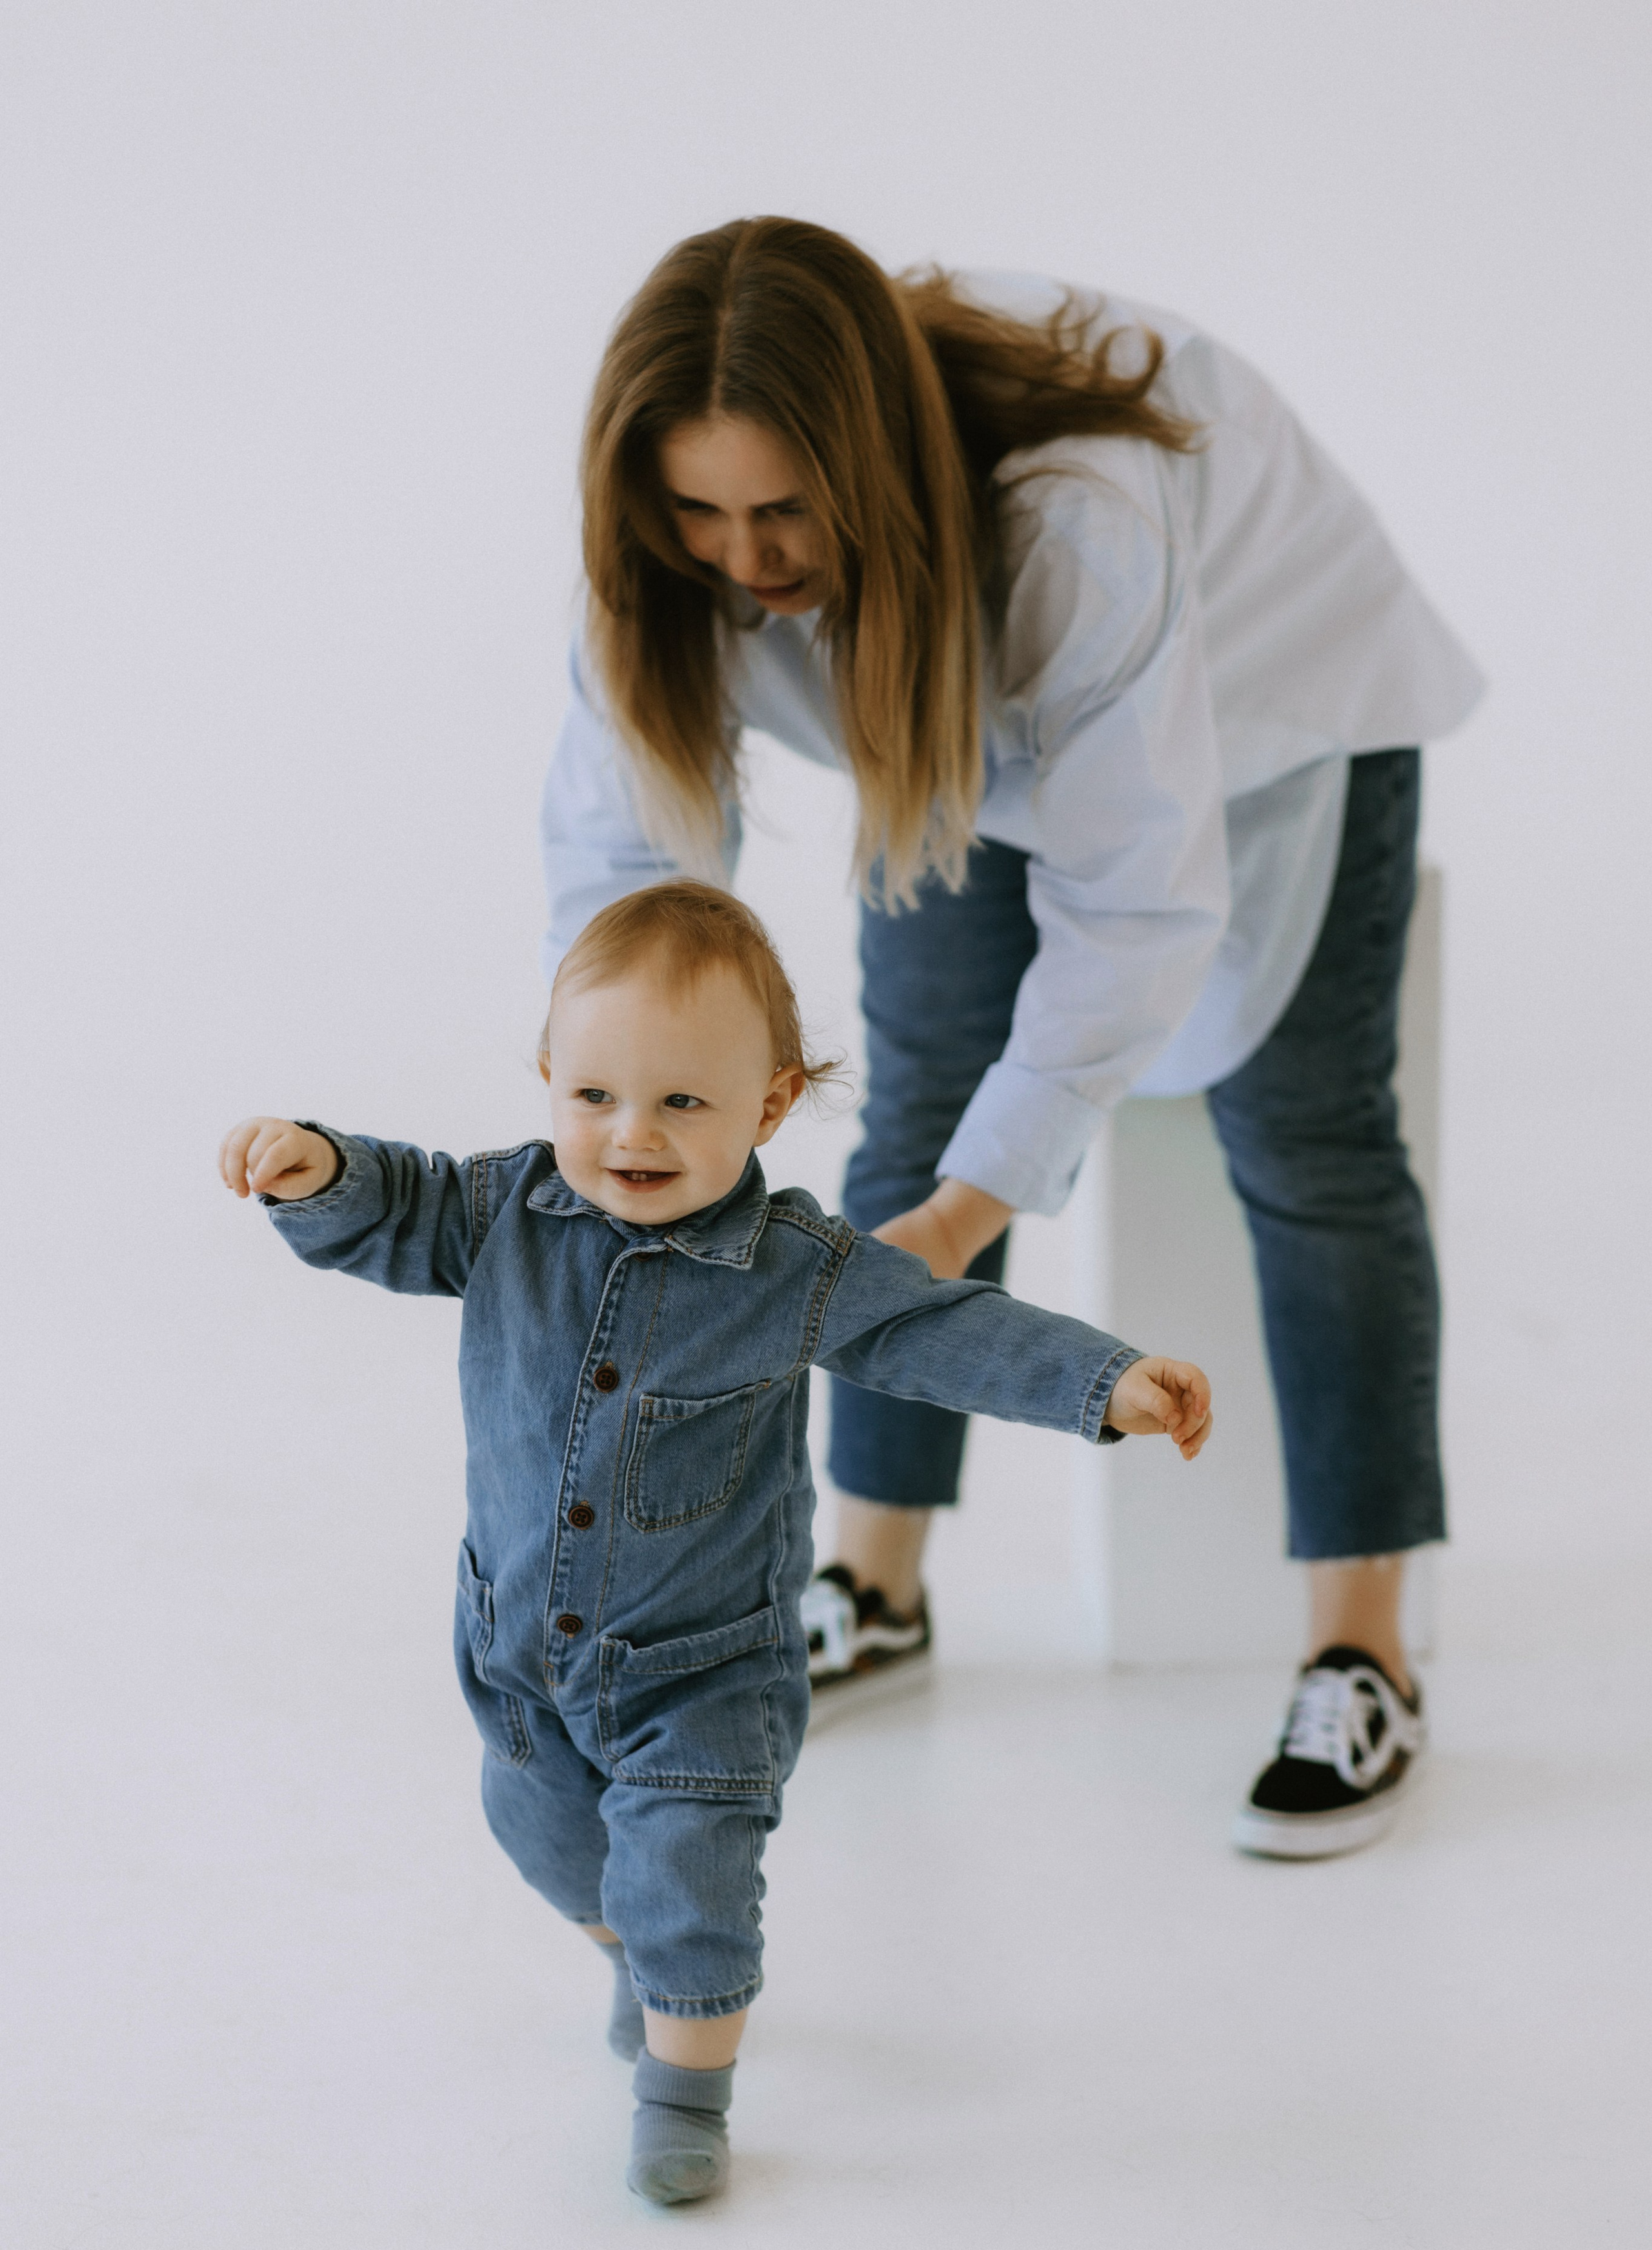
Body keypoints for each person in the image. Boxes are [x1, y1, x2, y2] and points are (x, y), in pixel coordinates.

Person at [538, 216, 1479, 1860]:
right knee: (910, 1109)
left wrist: (979, 1211)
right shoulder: (665, 570)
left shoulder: (1073, 527)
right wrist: (615, 1113)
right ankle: (878, 1584)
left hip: (1267, 700)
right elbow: (628, 876)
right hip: (946, 690)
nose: (744, 561)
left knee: (1308, 1140)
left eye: (780, 512)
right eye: (696, 509)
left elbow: (1135, 904)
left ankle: (1362, 1647)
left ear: (870, 473)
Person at [217, 882, 1212, 2204]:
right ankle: (634, 1956)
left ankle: (683, 2092)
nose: (630, 1134)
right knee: (544, 1839)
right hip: (517, 1647)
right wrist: (321, 1168)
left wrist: (1104, 1382)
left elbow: (936, 1329)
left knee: (687, 1881)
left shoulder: (792, 1269)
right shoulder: (501, 1211)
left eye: (682, 1103)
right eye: (593, 1099)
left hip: (703, 1671)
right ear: (548, 1080)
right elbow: (395, 1209)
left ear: (771, 1104)